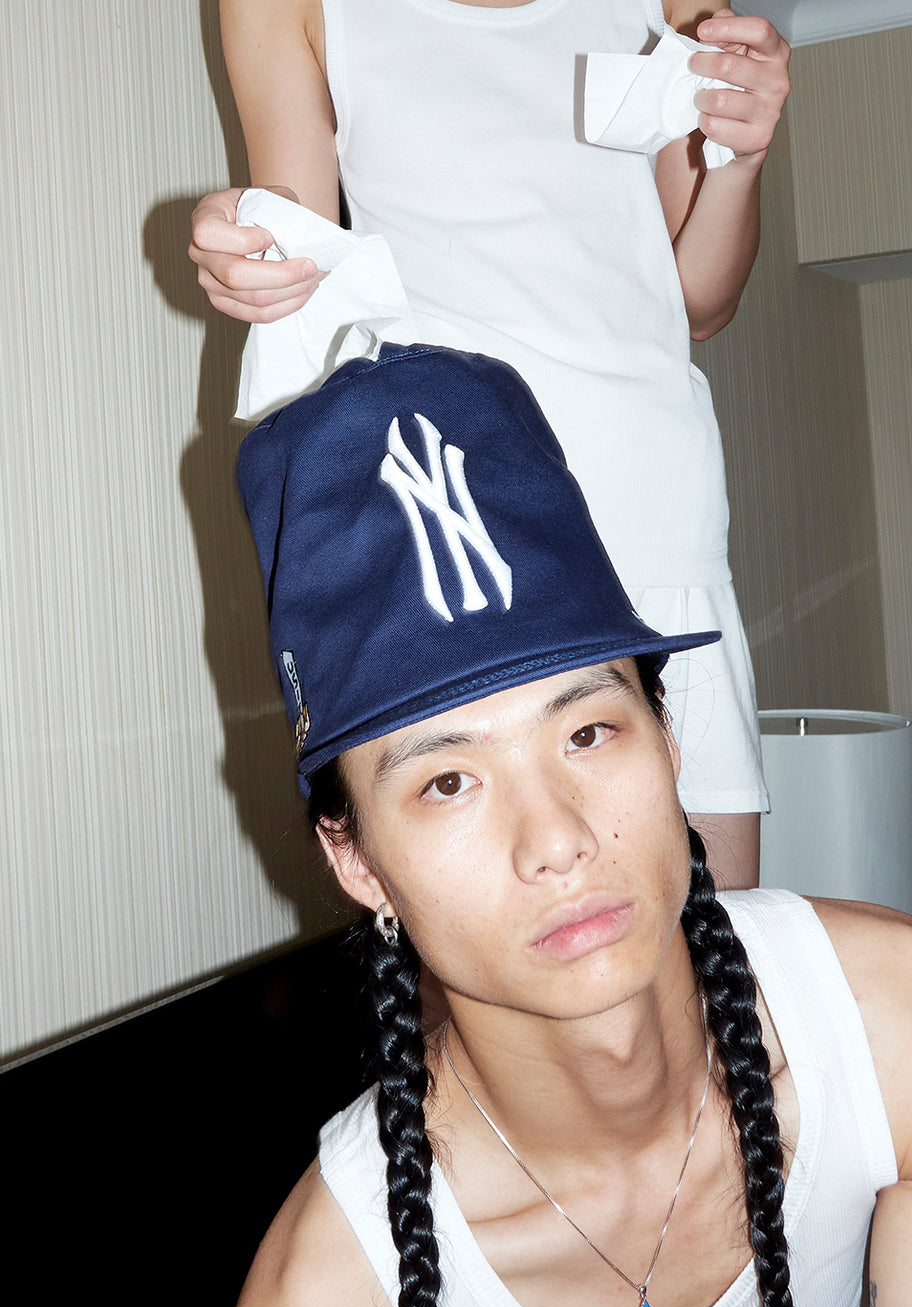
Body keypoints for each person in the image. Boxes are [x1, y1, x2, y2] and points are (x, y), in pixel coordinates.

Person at [226, 341, 912, 1307]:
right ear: (358, 863)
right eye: (448, 781)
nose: (557, 839)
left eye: (589, 731)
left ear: (668, 738)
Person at [190, 0, 794, 890]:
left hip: (653, 491)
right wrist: (244, 241)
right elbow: (295, 243)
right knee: (512, 922)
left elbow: (700, 299)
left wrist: (740, 157)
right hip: (462, 528)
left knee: (710, 943)